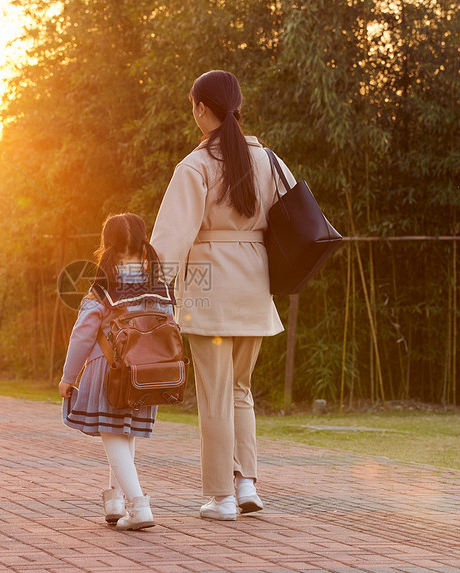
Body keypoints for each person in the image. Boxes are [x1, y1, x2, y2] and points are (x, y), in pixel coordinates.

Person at [150, 70, 297, 520]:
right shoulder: (269, 161)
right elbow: (297, 219)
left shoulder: (194, 166)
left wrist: (151, 292)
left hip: (208, 290)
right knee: (240, 389)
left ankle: (221, 496)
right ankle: (247, 482)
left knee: (214, 393)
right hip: (254, 287)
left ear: (200, 108)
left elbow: (171, 239)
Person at [58, 213, 174, 530]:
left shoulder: (102, 291)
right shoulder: (161, 289)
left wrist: (68, 378)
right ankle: (116, 503)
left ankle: (139, 506)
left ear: (106, 246)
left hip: (108, 372)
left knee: (112, 434)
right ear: (143, 243)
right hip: (147, 376)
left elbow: (81, 335)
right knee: (124, 432)